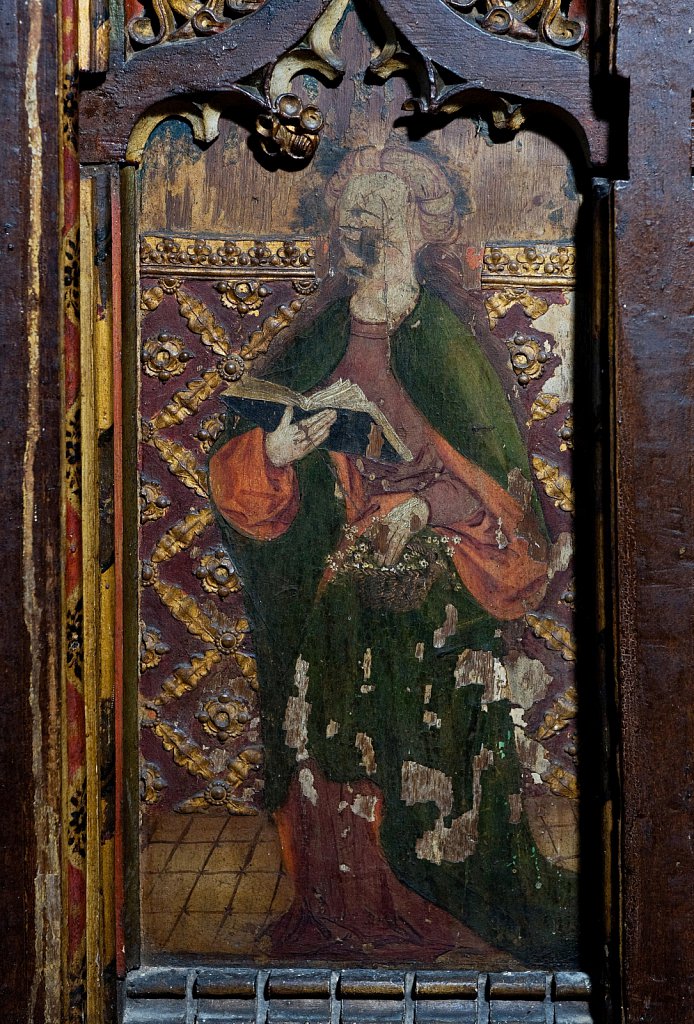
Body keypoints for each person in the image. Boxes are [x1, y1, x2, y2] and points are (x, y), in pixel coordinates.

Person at [208, 146, 578, 966]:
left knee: (427, 742)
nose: (360, 228)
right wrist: (279, 448)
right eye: (351, 214)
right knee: (334, 731)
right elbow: (241, 465)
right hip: (343, 578)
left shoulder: (443, 336)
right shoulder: (321, 338)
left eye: (378, 213)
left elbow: (503, 492)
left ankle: (436, 898)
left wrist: (424, 506)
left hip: (441, 580)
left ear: (416, 225)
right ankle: (349, 912)